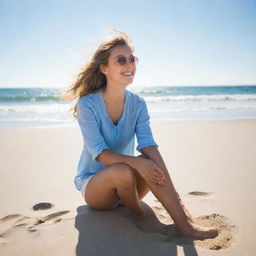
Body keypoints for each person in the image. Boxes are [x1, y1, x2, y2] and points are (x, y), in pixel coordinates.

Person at [61, 30, 219, 239]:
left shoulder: (138, 104)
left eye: (132, 59)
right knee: (124, 170)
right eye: (121, 60)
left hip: (131, 186)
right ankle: (137, 213)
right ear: (104, 68)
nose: (129, 65)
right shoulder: (87, 105)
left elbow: (149, 146)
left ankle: (184, 225)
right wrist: (136, 164)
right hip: (96, 188)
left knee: (150, 160)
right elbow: (99, 153)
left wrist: (178, 202)